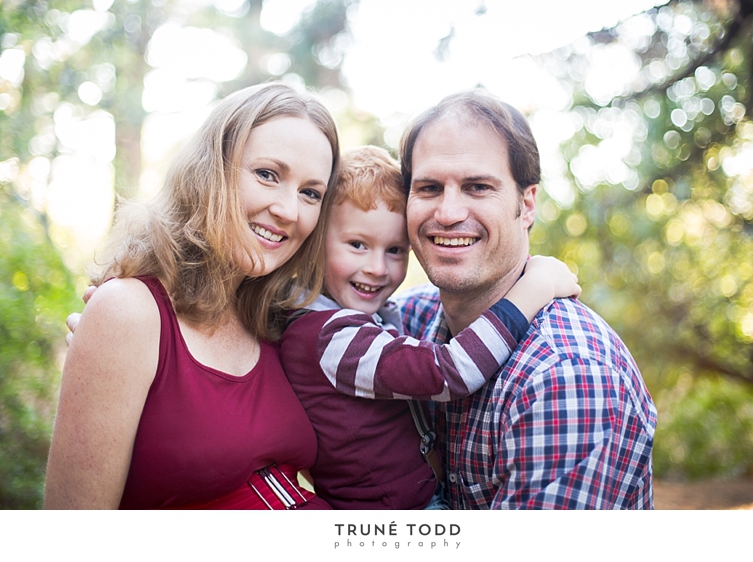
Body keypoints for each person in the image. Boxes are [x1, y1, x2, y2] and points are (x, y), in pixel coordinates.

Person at [44, 83, 339, 509]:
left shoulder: (281, 318)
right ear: (210, 170)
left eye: (311, 193)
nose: (289, 210)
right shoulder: (130, 311)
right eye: (267, 175)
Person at [395, 89, 658, 509]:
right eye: (428, 187)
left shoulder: (566, 373)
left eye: (477, 187)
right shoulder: (405, 322)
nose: (446, 213)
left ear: (527, 203)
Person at [279, 146, 581, 509]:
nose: (377, 268)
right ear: (313, 244)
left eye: (395, 250)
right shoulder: (329, 337)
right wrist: (534, 290)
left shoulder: (354, 319)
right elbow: (451, 371)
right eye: (357, 245)